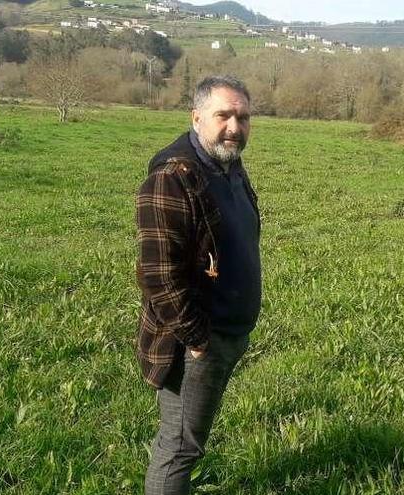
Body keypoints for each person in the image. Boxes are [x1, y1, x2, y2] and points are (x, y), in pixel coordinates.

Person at [135, 75, 261, 495]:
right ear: (196, 117)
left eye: (242, 117)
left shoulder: (227, 164)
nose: (234, 127)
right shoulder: (174, 176)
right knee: (180, 447)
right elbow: (158, 274)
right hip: (198, 341)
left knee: (188, 442)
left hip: (229, 331)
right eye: (223, 115)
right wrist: (197, 339)